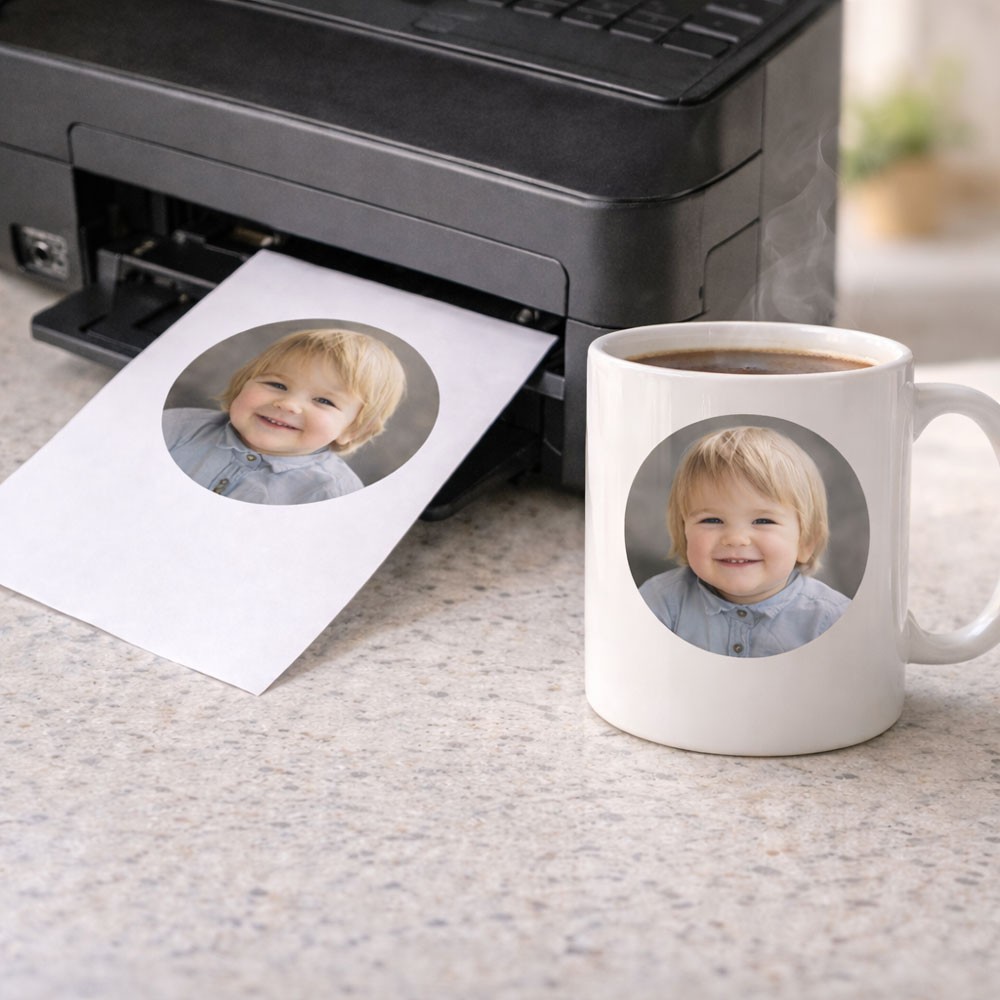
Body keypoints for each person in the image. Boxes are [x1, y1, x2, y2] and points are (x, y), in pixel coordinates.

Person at [639, 426, 850, 657]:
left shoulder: (833, 619)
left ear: (806, 542)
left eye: (763, 520)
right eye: (712, 519)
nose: (735, 539)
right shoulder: (659, 602)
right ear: (684, 531)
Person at [163, 327, 406, 505]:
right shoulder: (179, 427)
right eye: (276, 385)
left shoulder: (332, 493)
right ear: (242, 386)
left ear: (354, 430)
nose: (288, 404)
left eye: (324, 401)